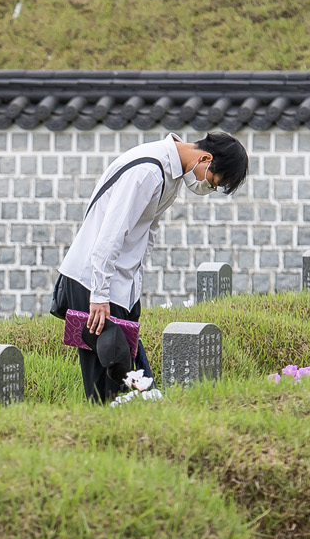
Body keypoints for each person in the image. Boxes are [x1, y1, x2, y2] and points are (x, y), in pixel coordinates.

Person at [51, 131, 249, 401]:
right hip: (94, 282)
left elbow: (147, 235)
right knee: (107, 385)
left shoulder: (170, 175)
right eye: (213, 183)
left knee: (133, 381)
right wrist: (98, 296)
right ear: (205, 158)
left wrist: (133, 296)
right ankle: (102, 436)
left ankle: (122, 433)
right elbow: (111, 234)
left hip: (119, 285)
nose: (207, 188)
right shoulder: (148, 171)